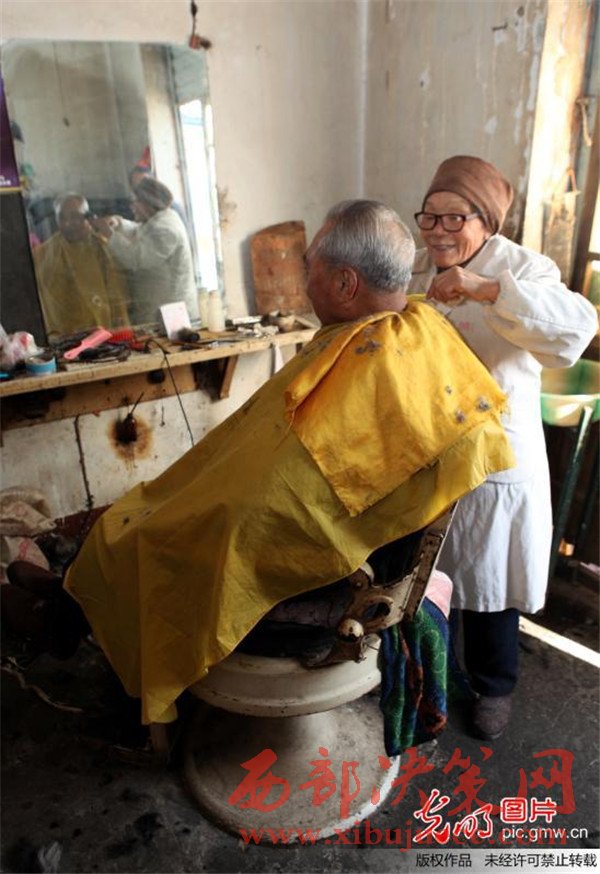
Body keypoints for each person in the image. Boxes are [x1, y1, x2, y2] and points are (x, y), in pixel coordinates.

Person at [4, 200, 515, 727]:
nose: (304, 279)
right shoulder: (422, 330)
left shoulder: (368, 365)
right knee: (147, 515)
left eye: (310, 266)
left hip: (331, 569)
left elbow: (280, 499)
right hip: (343, 530)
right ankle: (71, 597)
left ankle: (64, 621)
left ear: (345, 284)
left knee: (144, 534)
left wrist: (198, 510)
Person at [409, 155, 598, 741]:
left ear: (486, 221)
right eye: (429, 217)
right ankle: (432, 679)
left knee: (489, 582)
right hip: (432, 448)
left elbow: (575, 329)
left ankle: (494, 687)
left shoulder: (523, 268)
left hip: (497, 456)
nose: (438, 232)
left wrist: (486, 290)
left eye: (454, 218)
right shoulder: (420, 268)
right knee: (430, 578)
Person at [93, 176, 197, 325]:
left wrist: (109, 234)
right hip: (159, 308)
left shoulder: (166, 229)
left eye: (134, 201)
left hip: (171, 312)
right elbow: (140, 231)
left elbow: (136, 258)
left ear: (147, 203)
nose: (132, 206)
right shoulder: (157, 220)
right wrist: (118, 223)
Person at [33, 194, 130, 338]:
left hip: (106, 331)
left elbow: (118, 294)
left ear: (88, 218)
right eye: (62, 218)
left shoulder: (103, 247)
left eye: (75, 217)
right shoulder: (43, 254)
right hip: (67, 335)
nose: (68, 223)